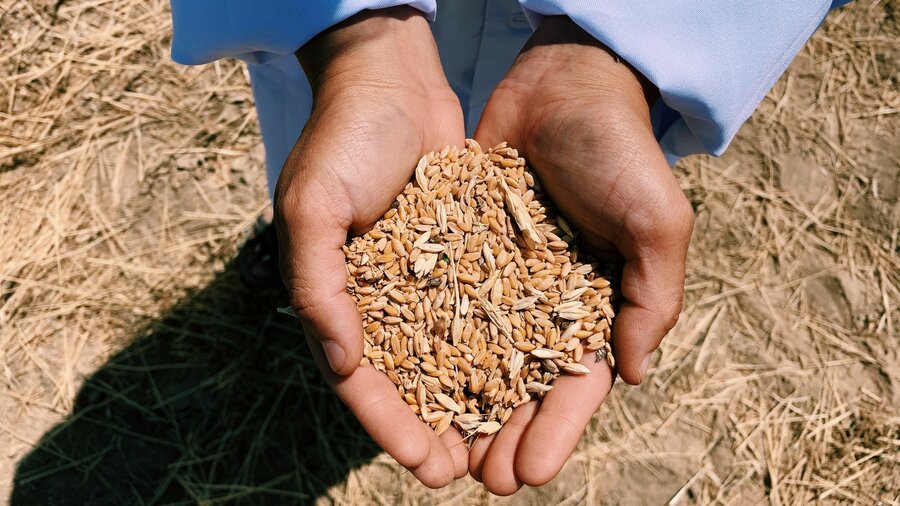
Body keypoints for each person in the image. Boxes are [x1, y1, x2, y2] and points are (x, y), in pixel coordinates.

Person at [170, 0, 852, 494]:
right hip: (359, 68)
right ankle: (310, 227)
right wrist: (355, 42)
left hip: (583, 77)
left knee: (362, 222)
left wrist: (612, 54)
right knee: (327, 181)